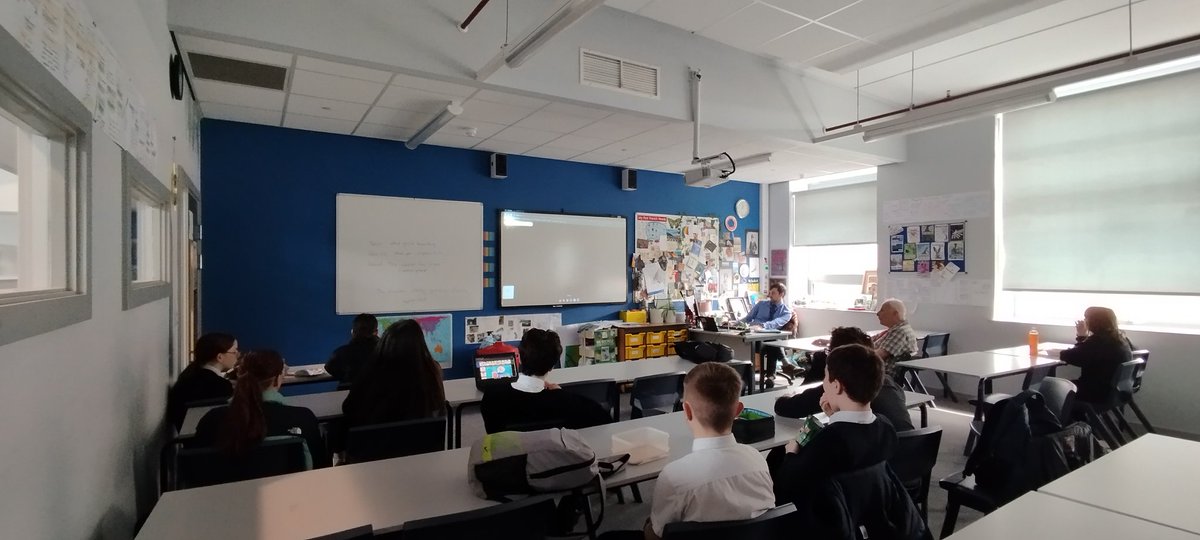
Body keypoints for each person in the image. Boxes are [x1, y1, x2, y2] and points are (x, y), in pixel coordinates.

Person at [601, 363, 776, 540]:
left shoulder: (674, 477)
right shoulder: (758, 461)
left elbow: (654, 536)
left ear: (686, 411)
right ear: (738, 410)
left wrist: (649, 525)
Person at [772, 344, 898, 508]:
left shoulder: (829, 441)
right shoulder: (886, 427)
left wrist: (791, 453)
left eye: (825, 378)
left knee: (775, 458)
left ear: (837, 386)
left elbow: (789, 483)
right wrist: (834, 417)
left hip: (823, 519)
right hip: (866, 511)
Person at [193, 350, 329, 469]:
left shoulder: (211, 420)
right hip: (294, 494)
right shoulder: (303, 418)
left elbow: (197, 468)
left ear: (239, 377)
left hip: (224, 496)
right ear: (277, 380)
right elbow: (321, 466)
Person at [775, 327, 914, 432]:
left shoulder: (841, 385)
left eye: (829, 351)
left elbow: (786, 408)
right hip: (912, 456)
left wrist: (786, 396)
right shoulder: (887, 381)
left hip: (882, 460)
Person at [480, 329, 612, 434]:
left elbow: (493, 432)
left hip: (510, 462)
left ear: (518, 358)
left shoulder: (492, 397)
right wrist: (560, 394)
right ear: (554, 365)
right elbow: (605, 420)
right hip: (558, 461)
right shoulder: (570, 402)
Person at [342, 320, 447, 427]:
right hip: (422, 440)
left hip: (376, 440)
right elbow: (440, 408)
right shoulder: (431, 370)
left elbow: (348, 408)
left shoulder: (373, 370)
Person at [1060, 306, 1134, 404]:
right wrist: (1083, 338)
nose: (1084, 321)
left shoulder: (1098, 341)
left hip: (1095, 392)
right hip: (1115, 391)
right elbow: (1087, 353)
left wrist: (1081, 335)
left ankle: (1055, 418)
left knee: (1052, 387)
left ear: (1094, 321)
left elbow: (1070, 356)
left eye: (1086, 318)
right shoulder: (1121, 339)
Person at [167, 333, 239, 431]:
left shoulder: (186, 379)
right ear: (220, 357)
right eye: (234, 351)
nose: (237, 355)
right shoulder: (220, 385)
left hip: (189, 441)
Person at [740, 282, 793, 388]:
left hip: (765, 341)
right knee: (774, 345)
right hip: (754, 337)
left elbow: (776, 323)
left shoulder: (786, 312)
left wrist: (762, 326)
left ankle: (771, 376)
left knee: (772, 344)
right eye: (770, 293)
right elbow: (748, 318)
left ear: (781, 294)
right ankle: (777, 370)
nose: (770, 295)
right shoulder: (761, 304)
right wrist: (735, 323)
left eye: (773, 293)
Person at [324, 313, 379, 385]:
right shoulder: (388, 352)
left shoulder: (341, 353)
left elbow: (329, 368)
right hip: (381, 394)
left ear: (352, 332)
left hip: (349, 394)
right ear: (376, 332)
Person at [872, 298, 919, 376]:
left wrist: (856, 353)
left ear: (895, 314)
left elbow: (878, 355)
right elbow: (869, 340)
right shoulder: (895, 329)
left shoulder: (900, 332)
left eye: (882, 310)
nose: (878, 313)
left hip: (879, 374)